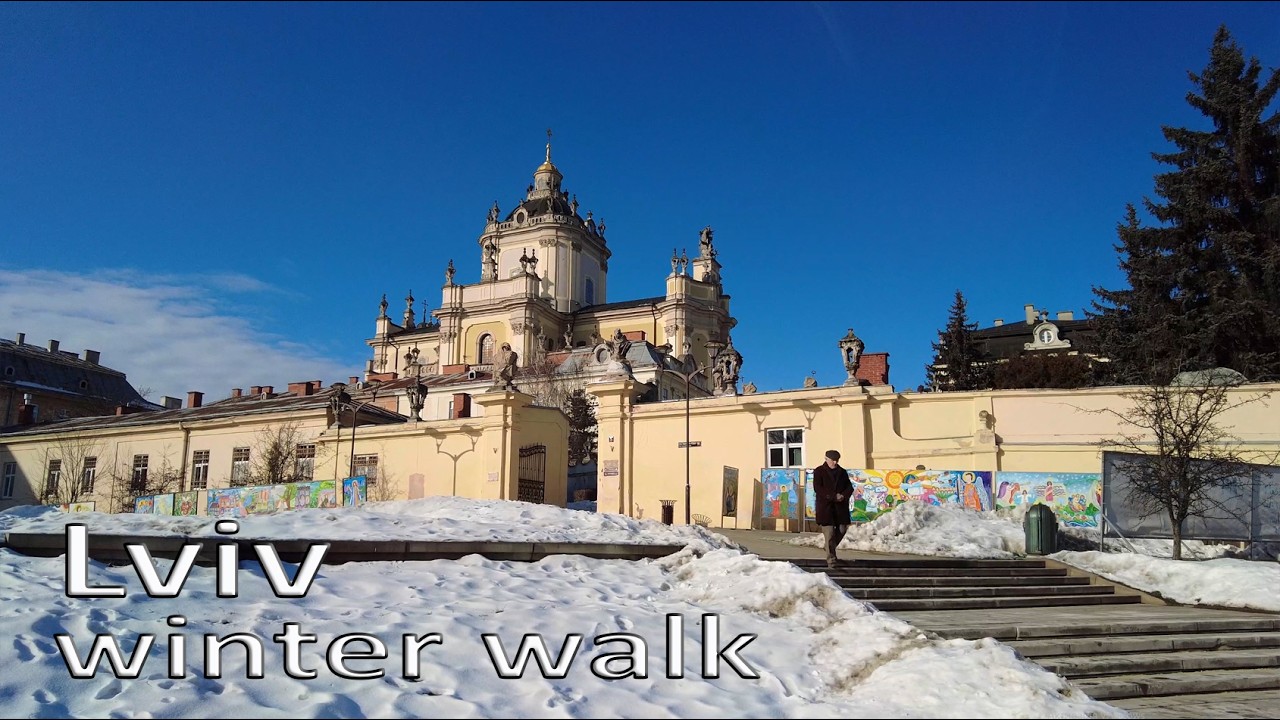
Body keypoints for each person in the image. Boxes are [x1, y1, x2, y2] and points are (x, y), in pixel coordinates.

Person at [813, 449, 854, 568]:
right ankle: (831, 559)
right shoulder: (819, 471)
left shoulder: (842, 472)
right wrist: (832, 496)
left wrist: (843, 496)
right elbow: (818, 488)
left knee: (842, 530)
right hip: (826, 508)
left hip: (840, 508)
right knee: (829, 533)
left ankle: (828, 547)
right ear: (826, 459)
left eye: (837, 460)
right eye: (833, 460)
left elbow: (849, 487)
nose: (835, 463)